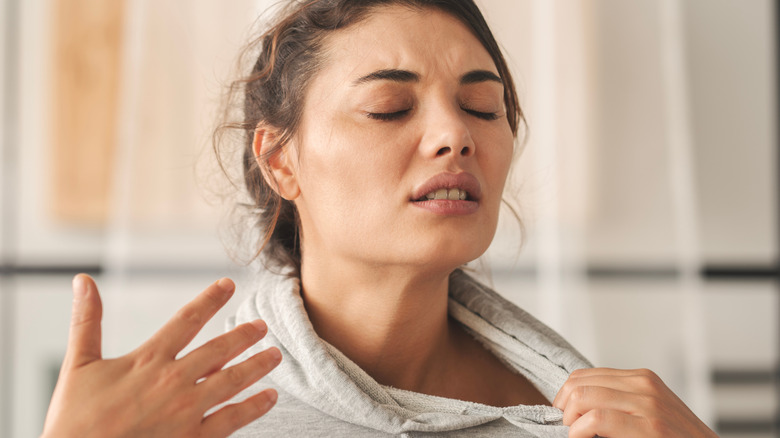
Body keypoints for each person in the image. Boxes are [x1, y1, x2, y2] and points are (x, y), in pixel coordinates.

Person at [41, 0, 720, 437]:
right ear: (282, 161)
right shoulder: (191, 423)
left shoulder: (600, 419)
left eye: (484, 109)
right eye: (391, 108)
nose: (455, 136)